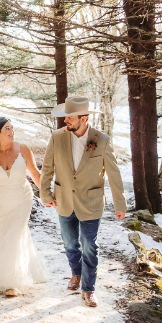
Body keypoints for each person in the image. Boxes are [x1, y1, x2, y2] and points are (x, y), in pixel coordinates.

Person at [40, 96, 126, 308]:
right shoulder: (57, 137)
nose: (66, 121)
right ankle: (76, 274)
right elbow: (47, 168)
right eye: (65, 117)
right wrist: (45, 194)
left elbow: (114, 174)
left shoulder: (102, 140)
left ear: (84, 119)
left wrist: (120, 203)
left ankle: (88, 289)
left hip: (91, 202)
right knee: (70, 244)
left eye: (70, 117)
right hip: (64, 201)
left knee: (89, 246)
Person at [0, 117, 49, 297]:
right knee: (3, 235)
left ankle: (12, 282)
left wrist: (47, 195)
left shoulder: (23, 149)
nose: (11, 131)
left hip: (22, 198)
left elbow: (34, 173)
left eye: (12, 128)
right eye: (7, 128)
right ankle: (8, 272)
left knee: (16, 234)